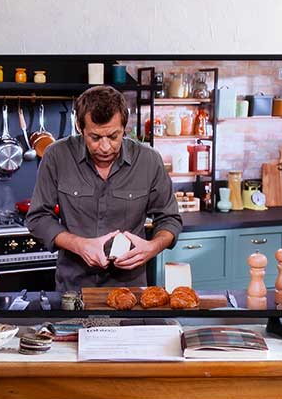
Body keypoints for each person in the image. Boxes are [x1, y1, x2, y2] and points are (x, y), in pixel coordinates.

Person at [26, 85, 182, 293]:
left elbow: (170, 219)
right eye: (96, 137)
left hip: (131, 290)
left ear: (124, 128)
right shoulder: (56, 156)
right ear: (80, 128)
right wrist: (79, 245)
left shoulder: (148, 160)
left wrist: (152, 247)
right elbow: (38, 218)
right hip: (73, 290)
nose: (105, 147)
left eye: (113, 136)